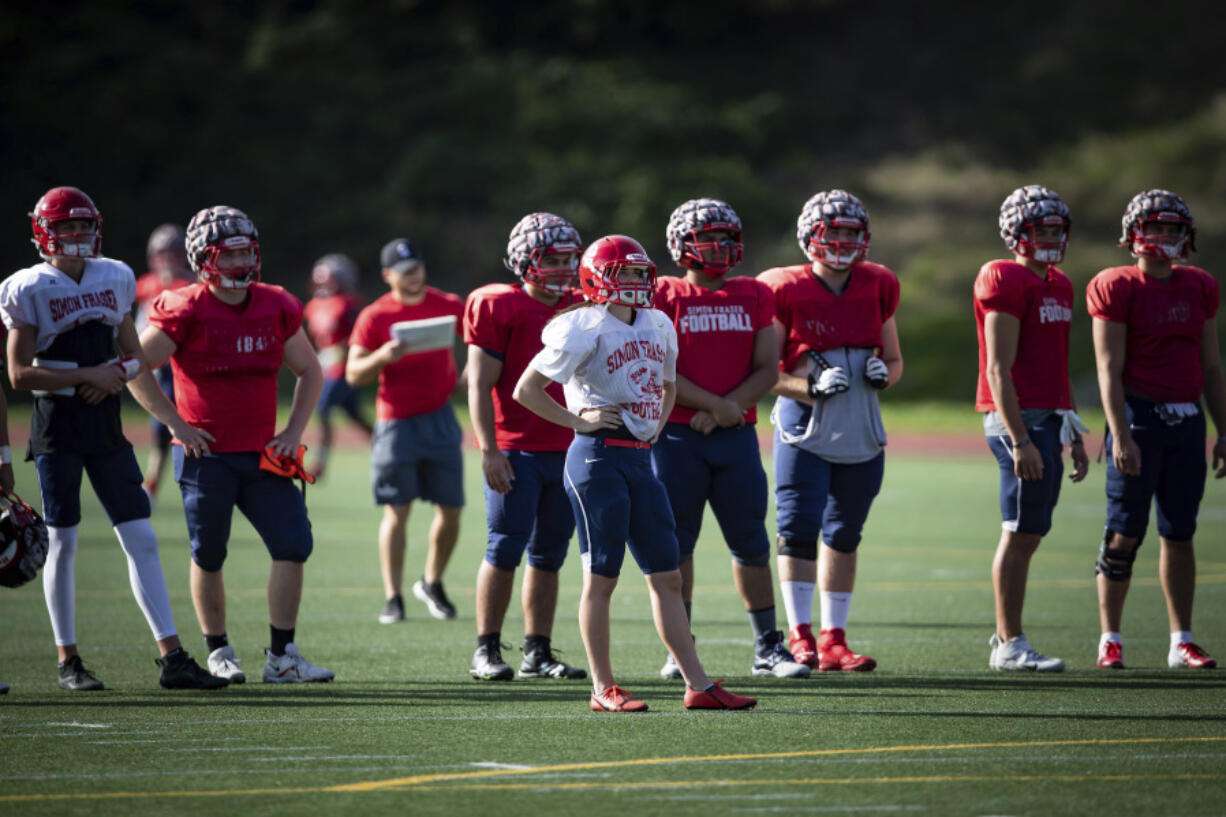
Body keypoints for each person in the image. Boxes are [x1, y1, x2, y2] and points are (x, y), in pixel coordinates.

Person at [514, 234, 756, 712]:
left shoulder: (658, 322)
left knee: (667, 577)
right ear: (596, 278)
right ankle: (603, 687)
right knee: (601, 579)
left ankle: (698, 684)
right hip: (596, 459)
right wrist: (576, 420)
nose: (631, 281)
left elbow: (666, 386)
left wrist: (654, 428)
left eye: (636, 273)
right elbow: (528, 389)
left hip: (640, 459)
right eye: (621, 272)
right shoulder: (581, 325)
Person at [0, 186, 224, 691]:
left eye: (83, 227)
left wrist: (112, 375)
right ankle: (68, 661)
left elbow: (134, 357)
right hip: (57, 422)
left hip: (105, 422)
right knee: (64, 540)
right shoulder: (27, 286)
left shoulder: (115, 275)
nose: (76, 237)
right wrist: (88, 377)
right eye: (66, 228)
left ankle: (172, 657)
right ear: (43, 233)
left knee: (140, 536)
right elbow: (18, 375)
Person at [128, 204, 334, 684]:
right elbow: (134, 366)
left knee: (292, 544)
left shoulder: (275, 304)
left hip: (265, 452)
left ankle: (283, 656)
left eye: (247, 253)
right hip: (207, 456)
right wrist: (175, 423)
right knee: (210, 552)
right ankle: (219, 651)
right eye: (230, 255)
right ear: (204, 259)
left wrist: (294, 431)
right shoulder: (184, 307)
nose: (242, 265)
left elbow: (310, 370)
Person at [652, 198, 808, 680]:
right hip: (677, 436)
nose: (720, 247)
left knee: (751, 543)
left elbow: (768, 368)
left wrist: (727, 410)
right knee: (677, 548)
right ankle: (682, 647)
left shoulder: (754, 293)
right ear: (682, 245)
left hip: (733, 435)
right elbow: (660, 365)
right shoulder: (664, 293)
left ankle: (768, 647)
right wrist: (714, 407)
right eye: (709, 238)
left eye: (726, 237)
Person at [758, 190, 902, 672]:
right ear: (810, 236)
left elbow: (895, 360)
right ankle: (800, 638)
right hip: (805, 427)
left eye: (850, 232)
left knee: (845, 534)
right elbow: (763, 372)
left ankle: (834, 640)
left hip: (861, 426)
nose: (842, 240)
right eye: (832, 231)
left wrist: (885, 374)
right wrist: (809, 385)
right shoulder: (783, 287)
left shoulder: (877, 283)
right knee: (797, 530)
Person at [1086, 189, 1225, 670]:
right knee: (1124, 532)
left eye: (1172, 229)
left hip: (1186, 421)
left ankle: (1180, 638)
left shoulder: (1200, 285)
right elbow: (1108, 368)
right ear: (1132, 235)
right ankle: (1110, 637)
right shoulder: (1116, 285)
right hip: (1139, 417)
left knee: (1180, 533)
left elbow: (1211, 366)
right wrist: (1120, 432)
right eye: (1155, 227)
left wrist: (1222, 429)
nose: (1164, 237)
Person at [464, 212, 587, 681]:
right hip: (516, 449)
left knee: (550, 552)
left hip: (568, 448)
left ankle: (537, 651)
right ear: (524, 261)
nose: (563, 268)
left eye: (569, 259)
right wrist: (488, 449)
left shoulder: (581, 305)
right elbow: (478, 384)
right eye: (552, 259)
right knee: (504, 547)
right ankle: (486, 650)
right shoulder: (499, 305)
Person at [974, 185, 1090, 672]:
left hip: (1049, 418)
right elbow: (999, 368)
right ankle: (1009, 642)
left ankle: (1008, 638)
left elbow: (1056, 364)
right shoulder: (1003, 276)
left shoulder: (1059, 283)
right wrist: (1019, 438)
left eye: (1054, 229)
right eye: (1038, 229)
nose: (1048, 237)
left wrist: (1074, 429)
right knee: (1019, 530)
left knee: (1031, 530)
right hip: (1016, 418)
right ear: (1015, 233)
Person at [347, 238, 465, 623]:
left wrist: (468, 380)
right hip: (396, 422)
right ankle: (393, 597)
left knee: (451, 510)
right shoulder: (375, 316)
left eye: (417, 268)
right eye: (405, 272)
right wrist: (383, 356)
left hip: (441, 417)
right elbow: (352, 374)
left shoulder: (448, 304)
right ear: (388, 276)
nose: (414, 277)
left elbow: (484, 344)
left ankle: (432, 582)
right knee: (397, 511)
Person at [133, 224, 194, 502]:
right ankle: (153, 482)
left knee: (176, 424)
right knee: (160, 426)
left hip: (182, 363)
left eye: (174, 253)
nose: (168, 259)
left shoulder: (192, 285)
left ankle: (156, 483)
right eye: (162, 253)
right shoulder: (146, 284)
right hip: (154, 363)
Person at [303, 253, 372, 479]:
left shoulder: (349, 305)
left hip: (343, 370)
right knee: (354, 415)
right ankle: (388, 446)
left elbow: (357, 338)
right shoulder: (313, 306)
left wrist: (341, 353)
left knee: (322, 407)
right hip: (326, 368)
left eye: (329, 280)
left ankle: (320, 461)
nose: (323, 285)